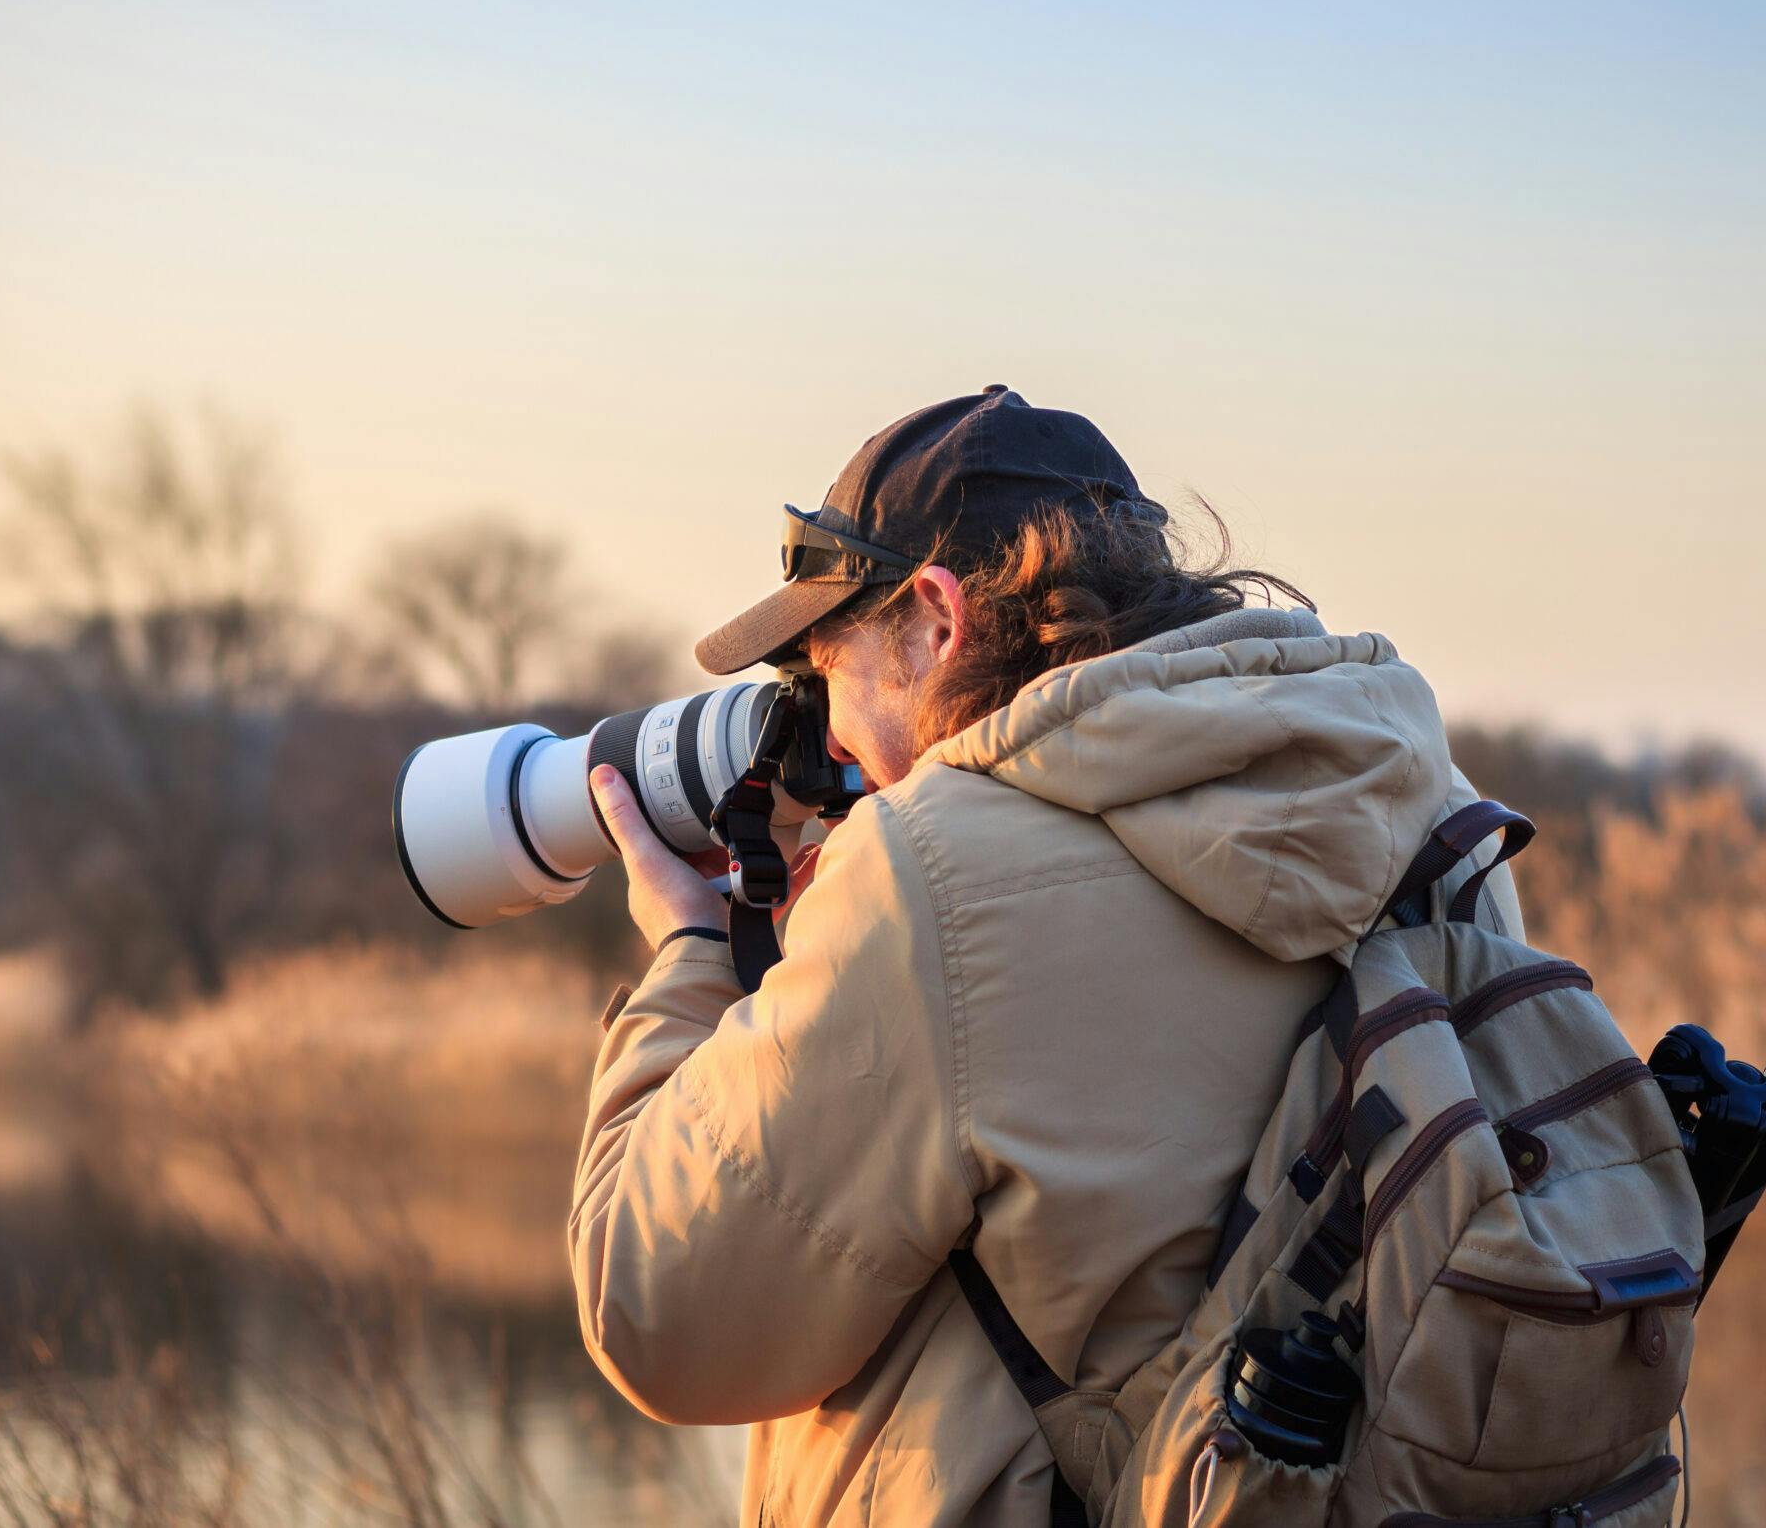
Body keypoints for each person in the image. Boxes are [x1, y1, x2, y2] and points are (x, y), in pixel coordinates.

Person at [571, 388, 1523, 1527]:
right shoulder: (1423, 807)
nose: (822, 732)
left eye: (829, 666)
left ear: (933, 619)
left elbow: (662, 1317)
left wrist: (688, 952)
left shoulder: (932, 876)